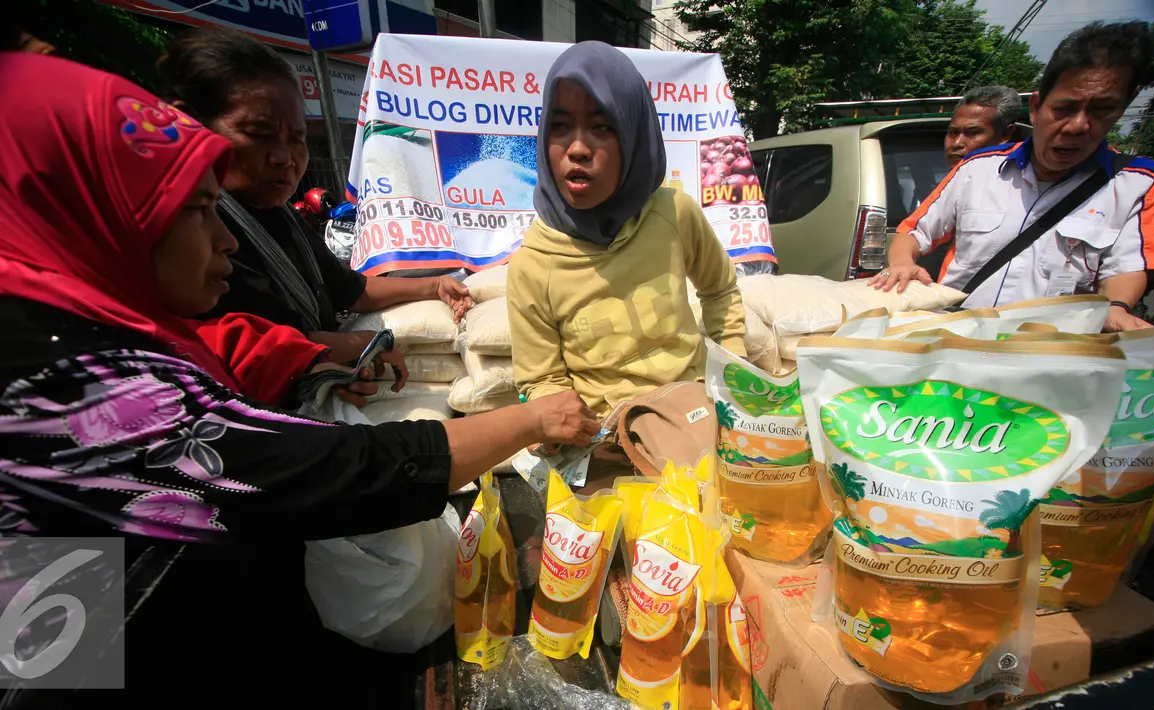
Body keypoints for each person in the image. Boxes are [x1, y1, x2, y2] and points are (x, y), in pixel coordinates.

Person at [0, 52, 596, 696]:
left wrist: (312, 355)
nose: (225, 237)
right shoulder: (67, 388)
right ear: (95, 208)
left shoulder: (95, 326)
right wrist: (529, 418)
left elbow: (244, 342)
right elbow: (327, 471)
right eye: (197, 208)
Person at [158, 28, 472, 365]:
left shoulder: (281, 216)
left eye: (297, 138)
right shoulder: (185, 234)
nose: (285, 157)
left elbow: (350, 289)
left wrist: (435, 284)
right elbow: (233, 349)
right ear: (187, 123)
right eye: (258, 133)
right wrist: (345, 350)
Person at [872, 22, 1154, 333]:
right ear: (1037, 107)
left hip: (1048, 347)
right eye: (1064, 109)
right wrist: (903, 262)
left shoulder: (1136, 182)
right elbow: (914, 232)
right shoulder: (977, 168)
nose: (1078, 126)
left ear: (1122, 109)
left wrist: (1117, 307)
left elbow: (1126, 267)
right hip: (955, 335)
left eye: (1101, 110)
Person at [507, 41, 746, 419]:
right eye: (560, 126)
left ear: (634, 136)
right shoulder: (533, 267)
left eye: (601, 126)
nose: (578, 148)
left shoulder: (675, 215)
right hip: (604, 436)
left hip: (694, 412)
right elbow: (542, 381)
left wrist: (731, 375)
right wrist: (562, 423)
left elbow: (720, 291)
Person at [945, 84, 1020, 169]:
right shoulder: (944, 182)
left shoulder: (1024, 180)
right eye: (953, 132)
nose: (956, 143)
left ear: (1005, 134)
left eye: (973, 132)